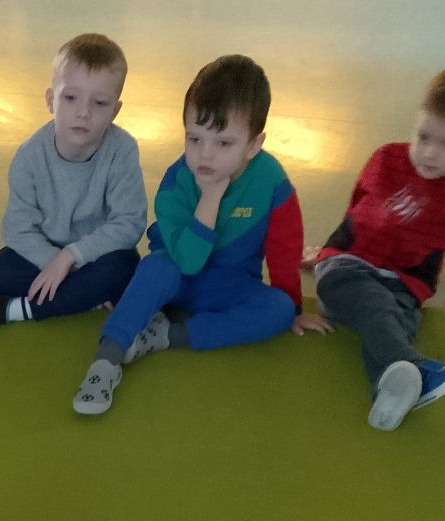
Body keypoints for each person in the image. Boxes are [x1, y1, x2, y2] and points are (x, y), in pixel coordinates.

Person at [72, 54, 326, 416]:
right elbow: (187, 263)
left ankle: (163, 337)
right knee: (154, 269)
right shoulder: (177, 181)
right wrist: (210, 197)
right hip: (178, 278)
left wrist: (295, 308)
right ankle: (107, 358)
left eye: (224, 143)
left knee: (279, 310)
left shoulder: (272, 181)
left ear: (253, 145)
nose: (205, 155)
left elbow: (285, 249)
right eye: (194, 138)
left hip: (230, 287)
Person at [310, 64, 445, 432]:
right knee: (373, 304)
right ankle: (422, 370)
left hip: (405, 284)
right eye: (423, 137)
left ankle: (391, 390)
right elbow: (357, 207)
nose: (429, 154)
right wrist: (326, 253)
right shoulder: (386, 158)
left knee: (396, 322)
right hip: (349, 265)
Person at [0, 33, 145, 328]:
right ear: (50, 100)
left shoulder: (122, 150)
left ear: (115, 111)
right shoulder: (30, 156)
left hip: (97, 253)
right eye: (70, 98)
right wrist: (54, 261)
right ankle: (88, 295)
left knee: (124, 269)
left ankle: (19, 310)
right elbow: (18, 229)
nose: (83, 112)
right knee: (0, 272)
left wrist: (70, 257)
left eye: (99, 103)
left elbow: (129, 223)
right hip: (45, 250)